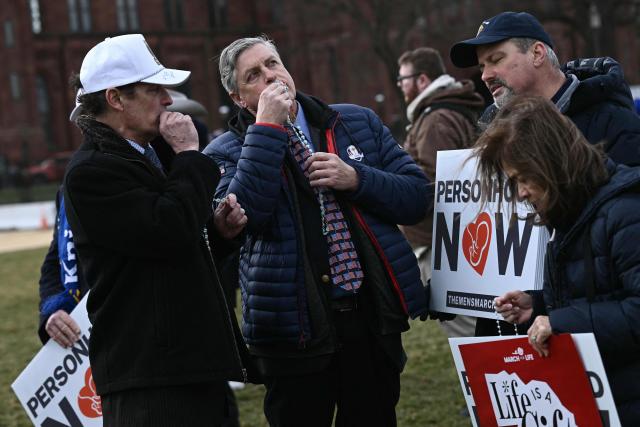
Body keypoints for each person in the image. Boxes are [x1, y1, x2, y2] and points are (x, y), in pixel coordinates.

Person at [204, 36, 431, 426]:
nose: (270, 76)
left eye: (272, 63)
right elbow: (246, 215)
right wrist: (267, 129)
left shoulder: (354, 121)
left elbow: (415, 198)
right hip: (293, 331)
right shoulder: (225, 152)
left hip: (369, 319)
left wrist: (357, 178)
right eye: (253, 75)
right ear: (238, 97)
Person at [63, 33, 252, 426]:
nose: (168, 100)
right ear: (115, 99)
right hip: (150, 375)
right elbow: (168, 229)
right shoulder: (91, 172)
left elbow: (169, 250)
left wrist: (216, 234)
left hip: (188, 363)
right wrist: (189, 156)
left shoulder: (150, 154)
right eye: (154, 90)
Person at [449, 10, 640, 336]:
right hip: (534, 322)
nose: (485, 75)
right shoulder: (492, 135)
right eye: (482, 66)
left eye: (495, 59)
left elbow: (621, 243)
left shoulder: (612, 122)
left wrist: (561, 318)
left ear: (537, 53)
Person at [475, 95, 640, 425]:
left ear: (551, 162)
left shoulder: (625, 212)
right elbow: (595, 296)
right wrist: (536, 308)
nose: (520, 193)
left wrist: (561, 322)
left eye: (523, 177)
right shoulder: (569, 216)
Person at [396, 47, 484, 337]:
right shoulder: (447, 109)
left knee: (466, 331)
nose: (401, 86)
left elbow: (433, 184)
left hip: (443, 242)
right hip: (462, 238)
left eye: (403, 79)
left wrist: (391, 179)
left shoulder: (436, 119)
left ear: (422, 80)